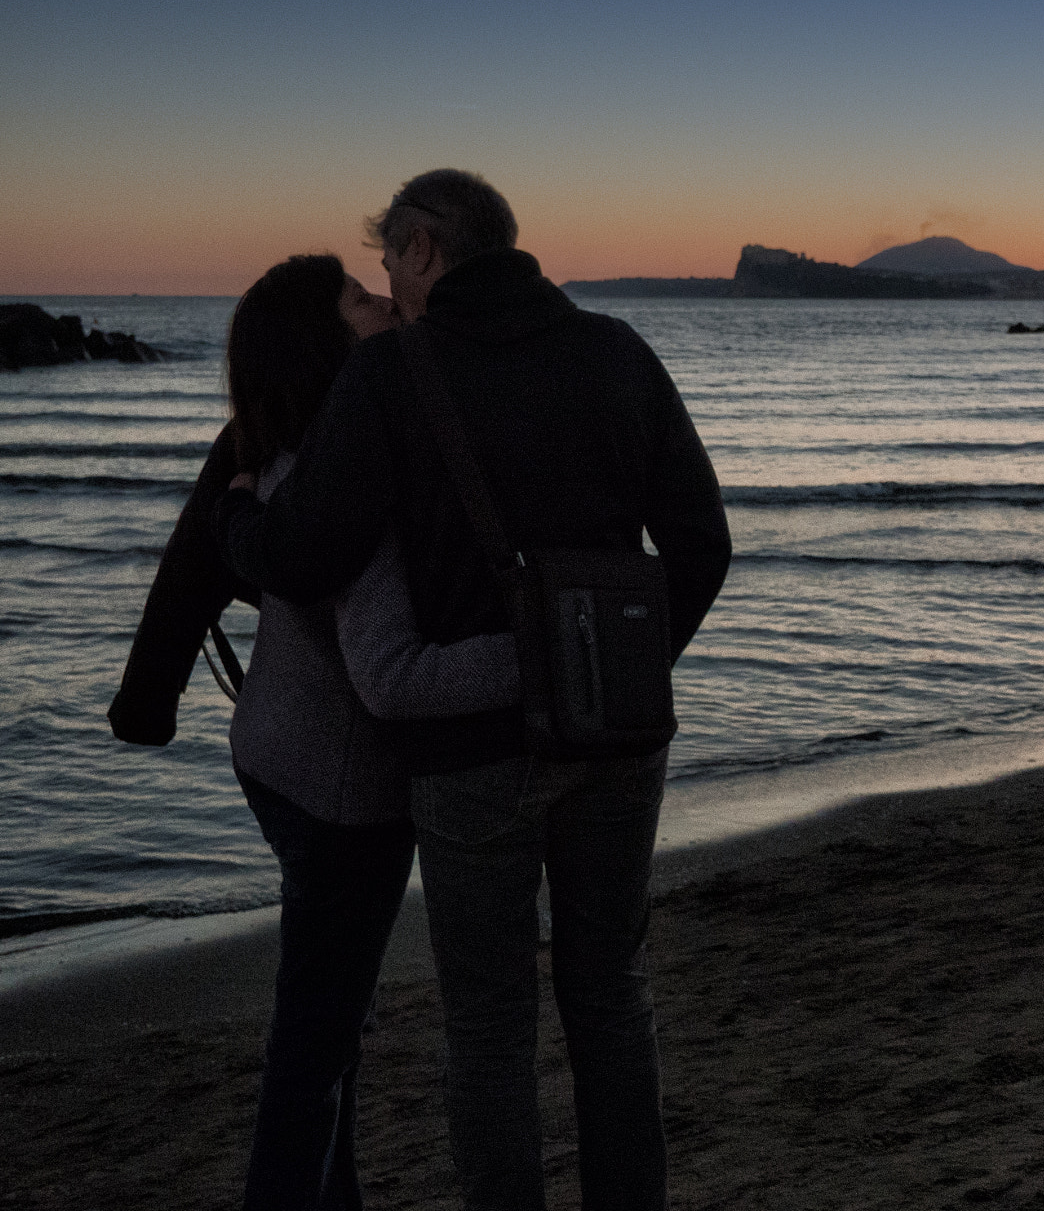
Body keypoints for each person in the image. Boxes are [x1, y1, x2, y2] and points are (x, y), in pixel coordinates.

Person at [218, 169, 732, 1211]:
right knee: (612, 1004)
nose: (390, 293)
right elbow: (701, 545)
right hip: (617, 741)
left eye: (387, 269)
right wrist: (611, 672)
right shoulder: (616, 352)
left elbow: (306, 548)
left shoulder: (393, 377)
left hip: (471, 759)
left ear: (422, 249)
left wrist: (233, 519)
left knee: (491, 1029)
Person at [113, 252, 519, 1211]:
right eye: (358, 296)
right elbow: (388, 677)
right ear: (320, 341)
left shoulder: (292, 450)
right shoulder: (347, 481)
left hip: (276, 756)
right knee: (316, 1045)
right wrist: (535, 654)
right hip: (339, 793)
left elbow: (199, 564)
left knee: (331, 1025)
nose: (380, 300)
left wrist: (149, 701)